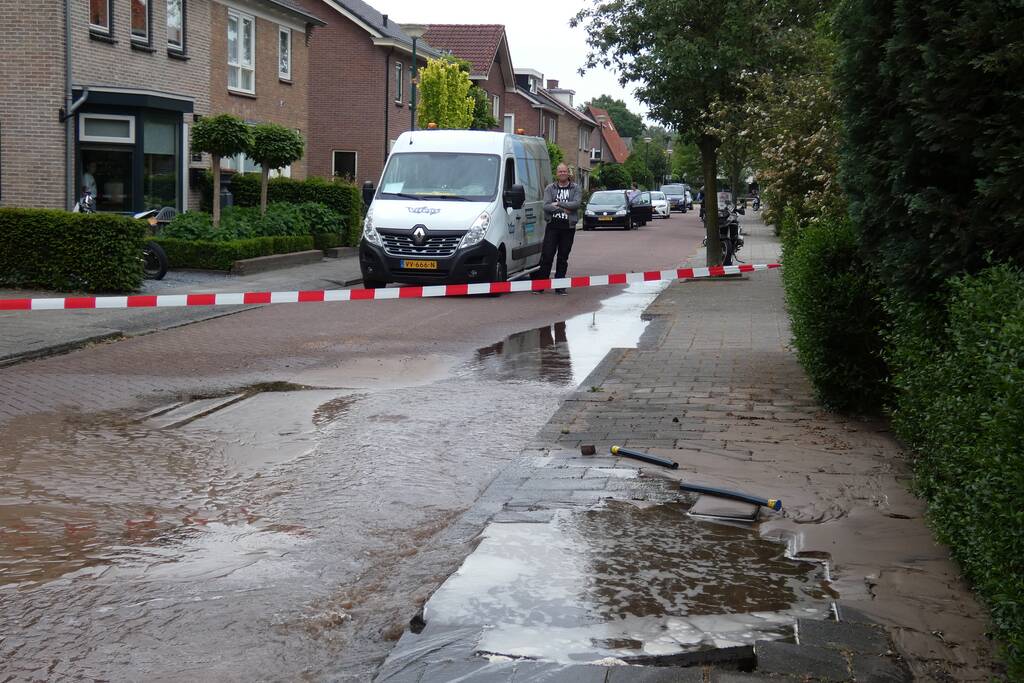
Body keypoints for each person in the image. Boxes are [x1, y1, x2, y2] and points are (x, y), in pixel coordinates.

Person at [533, 163, 581, 295]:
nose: (562, 173)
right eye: (560, 171)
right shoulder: (550, 188)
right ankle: (540, 286)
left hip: (568, 227)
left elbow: (576, 204)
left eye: (564, 171)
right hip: (553, 226)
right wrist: (563, 208)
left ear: (568, 173)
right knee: (547, 256)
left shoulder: (575, 188)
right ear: (557, 173)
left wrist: (558, 202)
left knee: (562, 257)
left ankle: (560, 287)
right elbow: (546, 206)